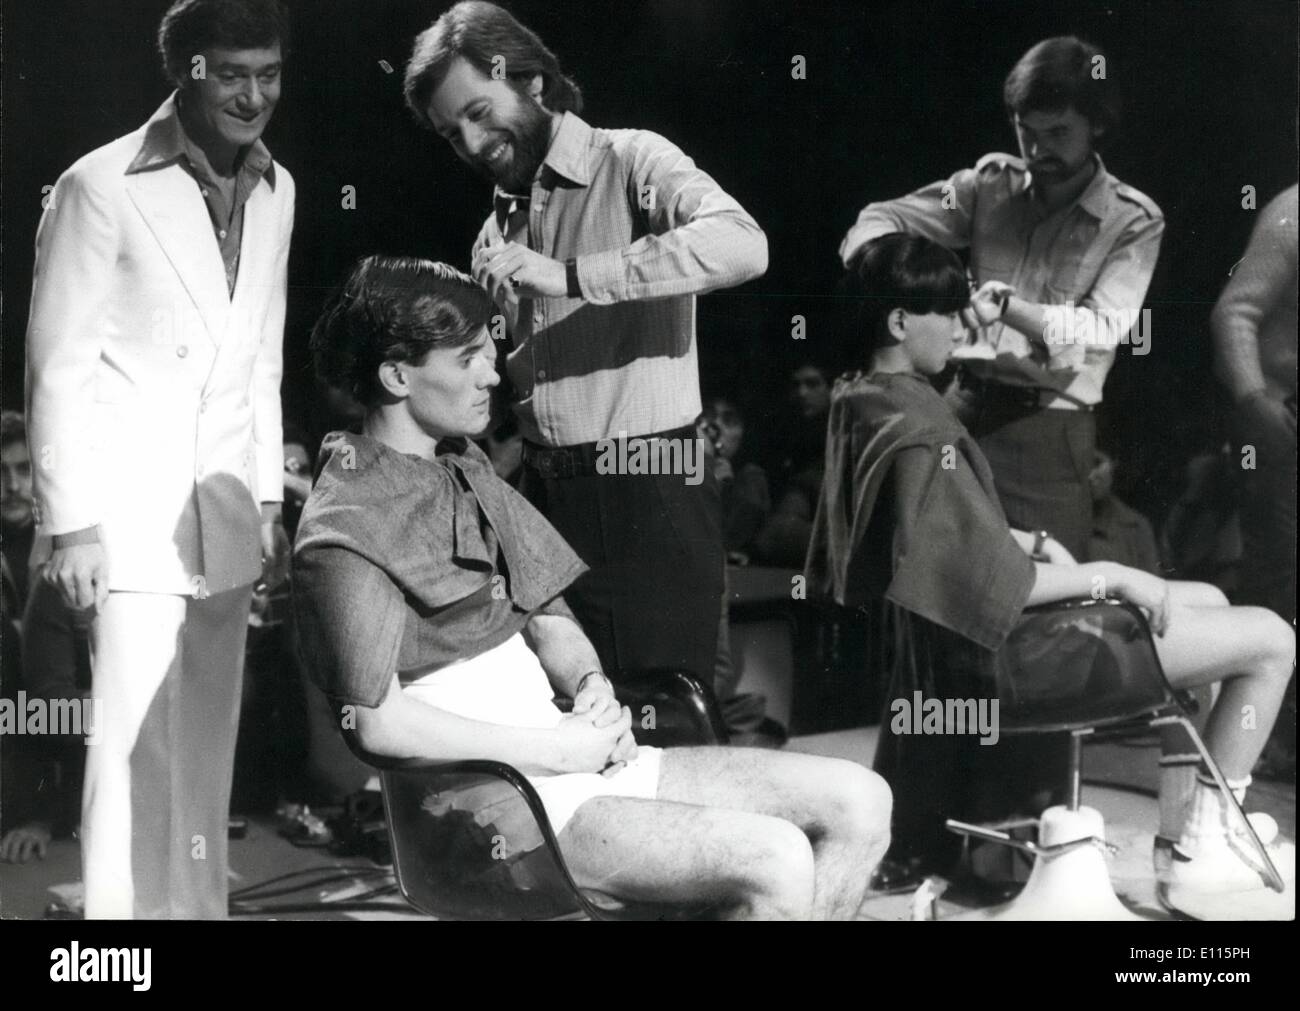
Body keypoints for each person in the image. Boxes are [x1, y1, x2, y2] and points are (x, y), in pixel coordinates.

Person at [292, 256, 890, 919]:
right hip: (493, 808)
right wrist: (557, 748)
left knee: (861, 802)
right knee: (776, 857)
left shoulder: (464, 468)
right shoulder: (344, 527)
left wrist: (591, 689)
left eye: (490, 353)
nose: (494, 374)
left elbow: (549, 615)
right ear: (398, 374)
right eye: (468, 359)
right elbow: (378, 723)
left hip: (577, 761)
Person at [807, 234, 1294, 920]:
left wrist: (1036, 538)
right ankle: (1207, 841)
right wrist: (1112, 574)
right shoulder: (923, 428)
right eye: (946, 314)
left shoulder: (862, 402)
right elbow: (997, 586)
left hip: (943, 664)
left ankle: (1187, 832)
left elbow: (935, 529)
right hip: (1007, 661)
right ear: (898, 322)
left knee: (1210, 598)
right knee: (1273, 638)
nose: (961, 329)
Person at [403, 1, 768, 691]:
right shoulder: (493, 232)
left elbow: (744, 245)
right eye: (454, 134)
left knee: (665, 728)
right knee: (575, 730)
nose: (475, 146)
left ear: (533, 82)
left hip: (649, 490)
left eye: (480, 113)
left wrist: (571, 276)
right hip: (543, 498)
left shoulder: (632, 159)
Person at [23, 0, 294, 917]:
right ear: (186, 71)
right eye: (232, 72)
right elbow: (55, 365)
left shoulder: (279, 189)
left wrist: (263, 502)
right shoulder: (99, 183)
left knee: (204, 750)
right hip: (127, 518)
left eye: (269, 72)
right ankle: (114, 943)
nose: (254, 94)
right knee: (132, 749)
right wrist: (72, 529)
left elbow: (263, 353)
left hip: (221, 516)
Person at [839, 36, 1164, 562]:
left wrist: (1009, 306)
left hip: (1051, 428)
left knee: (1047, 604)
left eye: (1057, 133)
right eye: (1026, 133)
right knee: (934, 569)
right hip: (963, 402)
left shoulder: (1135, 219)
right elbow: (880, 218)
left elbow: (1103, 328)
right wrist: (896, 274)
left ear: (1097, 125)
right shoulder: (987, 183)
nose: (1037, 152)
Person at [1087, 447, 1161, 574]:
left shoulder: (1136, 527)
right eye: (1081, 466)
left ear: (1113, 464)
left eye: (1096, 463)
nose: (1090, 475)